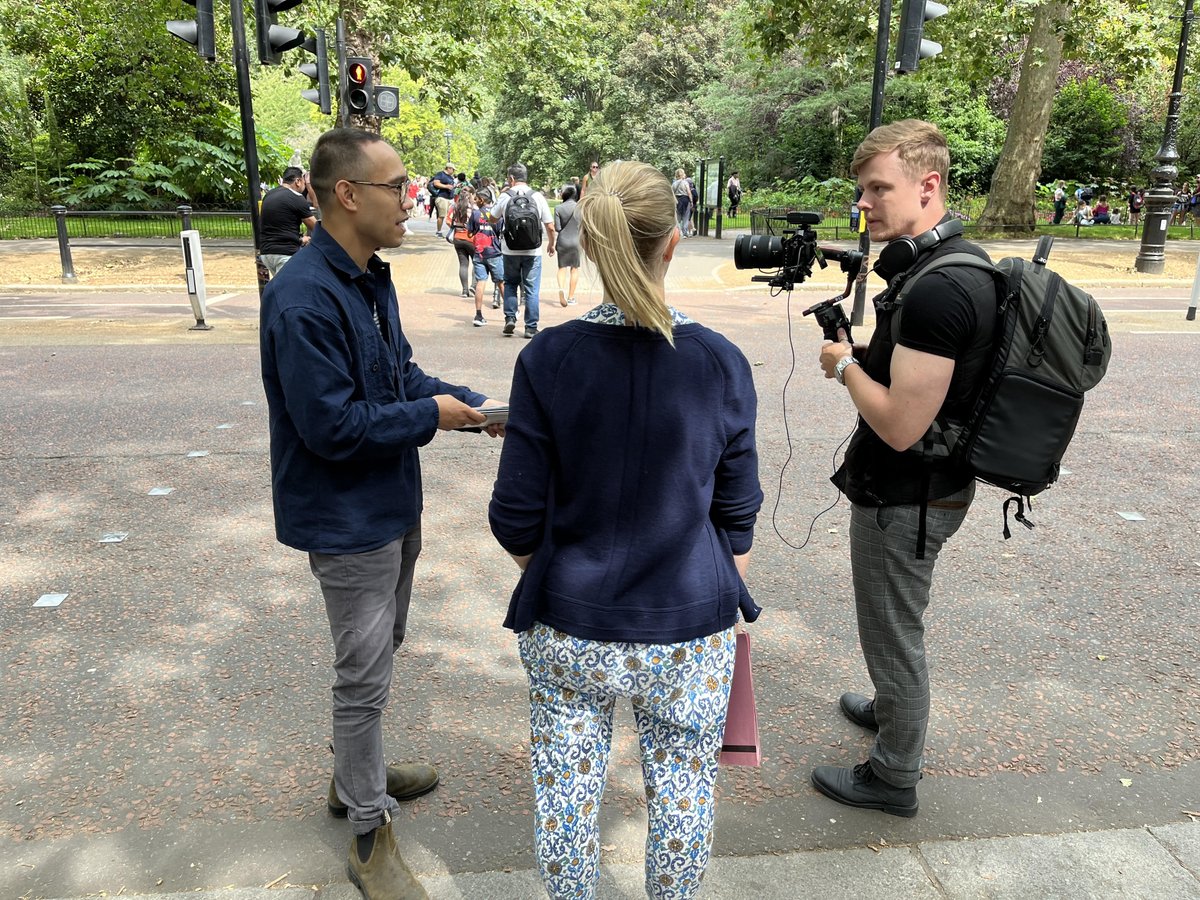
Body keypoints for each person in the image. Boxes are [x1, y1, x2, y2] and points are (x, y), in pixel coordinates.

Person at [489, 160, 762, 900]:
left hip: (572, 618)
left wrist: (552, 568)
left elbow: (513, 517)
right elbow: (736, 518)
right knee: (682, 789)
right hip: (687, 619)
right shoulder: (720, 363)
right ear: (671, 244)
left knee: (566, 799)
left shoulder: (549, 358)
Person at [259, 128, 505, 899]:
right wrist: (434, 415)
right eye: (397, 186)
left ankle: (349, 772)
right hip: (346, 518)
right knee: (361, 677)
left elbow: (398, 375)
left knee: (380, 652)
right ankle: (369, 831)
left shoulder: (371, 278)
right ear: (347, 195)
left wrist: (469, 404)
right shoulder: (302, 299)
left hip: (393, 504)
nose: (413, 198)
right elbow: (331, 428)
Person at [812, 119, 998, 819]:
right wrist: (863, 358)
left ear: (929, 185)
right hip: (926, 486)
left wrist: (846, 365)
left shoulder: (938, 289)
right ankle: (894, 710)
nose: (865, 203)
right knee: (893, 626)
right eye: (862, 190)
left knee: (893, 631)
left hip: (909, 495)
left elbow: (898, 424)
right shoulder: (943, 266)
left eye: (879, 188)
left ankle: (893, 775)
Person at [490, 163, 556, 339]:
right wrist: (552, 243)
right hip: (533, 251)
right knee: (532, 289)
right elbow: (550, 225)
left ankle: (510, 318)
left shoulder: (505, 196)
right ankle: (530, 327)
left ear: (511, 179)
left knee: (510, 284)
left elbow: (492, 218)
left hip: (509, 250)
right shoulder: (538, 197)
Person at [259, 167, 318, 276]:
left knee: (281, 288)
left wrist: (300, 239)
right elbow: (315, 227)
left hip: (266, 253)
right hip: (285, 254)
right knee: (291, 290)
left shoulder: (269, 195)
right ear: (298, 182)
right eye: (304, 183)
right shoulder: (296, 197)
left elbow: (278, 228)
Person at [468, 190, 504, 326]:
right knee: (501, 282)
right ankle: (510, 313)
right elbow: (501, 231)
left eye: (477, 199)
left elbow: (470, 232)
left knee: (480, 283)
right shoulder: (497, 215)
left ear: (482, 200)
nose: (475, 201)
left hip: (479, 253)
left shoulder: (475, 214)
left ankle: (478, 315)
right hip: (494, 252)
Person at [553, 184, 581, 306]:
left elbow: (558, 228)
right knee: (574, 269)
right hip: (576, 241)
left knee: (561, 267)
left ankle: (561, 289)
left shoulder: (558, 208)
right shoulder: (579, 208)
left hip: (563, 241)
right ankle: (571, 297)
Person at [446, 188, 476, 298]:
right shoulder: (473, 207)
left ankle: (464, 290)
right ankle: (473, 287)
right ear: (470, 196)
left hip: (457, 238)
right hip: (471, 238)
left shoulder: (454, 207)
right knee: (476, 263)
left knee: (463, 264)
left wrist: (457, 228)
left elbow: (448, 221)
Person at [429, 163, 457, 237]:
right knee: (442, 215)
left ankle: (453, 231)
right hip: (442, 197)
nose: (453, 171)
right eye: (453, 169)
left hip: (450, 198)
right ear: (449, 168)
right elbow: (436, 183)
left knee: (451, 215)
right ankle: (439, 231)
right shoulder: (440, 174)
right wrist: (446, 186)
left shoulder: (450, 177)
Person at [672, 168, 693, 238]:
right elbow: (689, 192)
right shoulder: (685, 182)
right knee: (686, 216)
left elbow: (672, 193)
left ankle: (678, 231)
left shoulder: (674, 183)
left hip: (677, 200)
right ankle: (685, 232)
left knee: (678, 217)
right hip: (685, 200)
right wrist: (691, 201)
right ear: (682, 174)